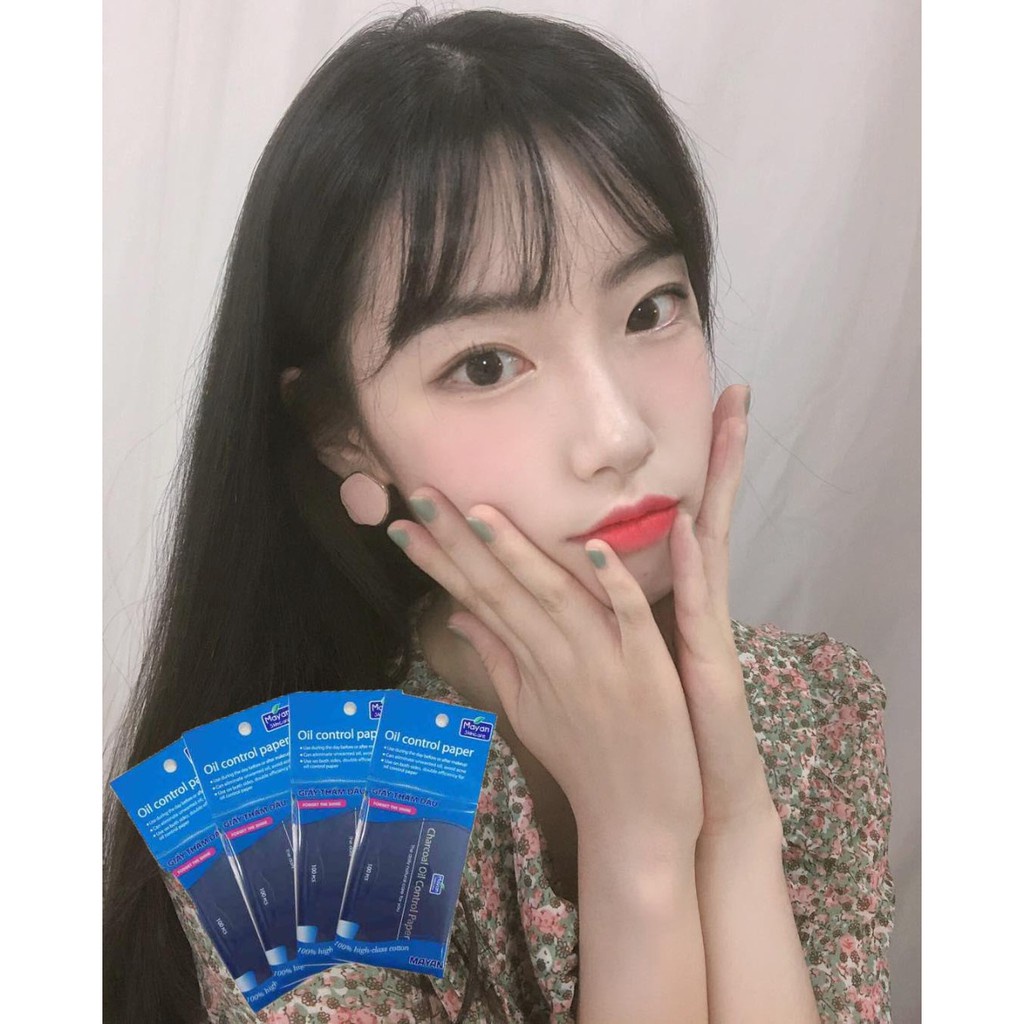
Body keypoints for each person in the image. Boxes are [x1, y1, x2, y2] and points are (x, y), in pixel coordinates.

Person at [103, 6, 895, 1023]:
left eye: (649, 308)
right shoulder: (297, 816)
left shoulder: (814, 706)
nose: (616, 433)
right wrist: (642, 851)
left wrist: (735, 823)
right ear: (342, 431)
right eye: (485, 364)